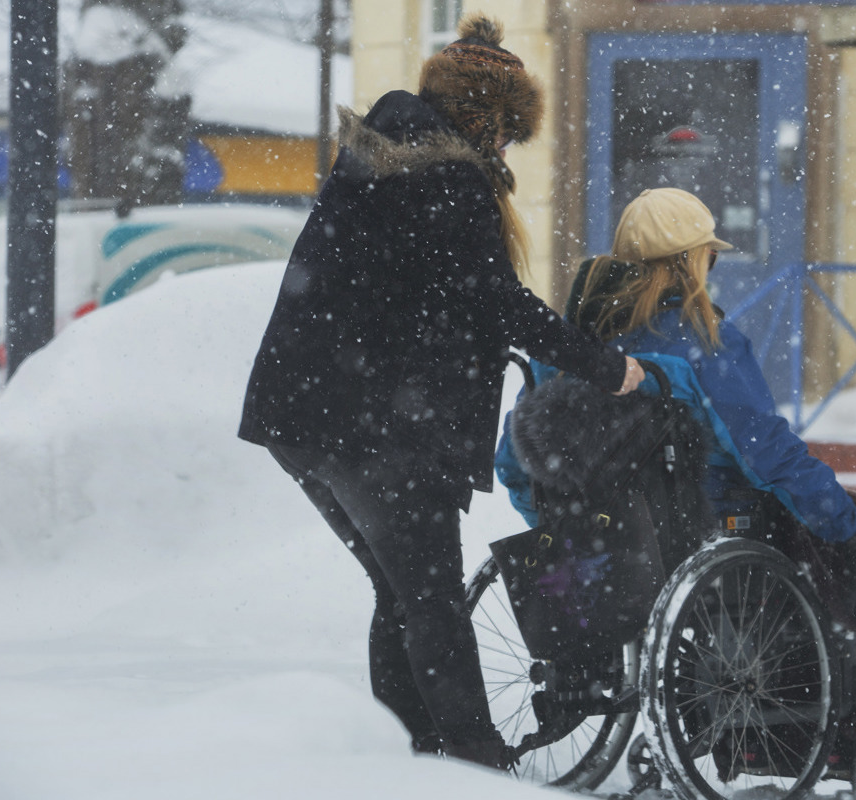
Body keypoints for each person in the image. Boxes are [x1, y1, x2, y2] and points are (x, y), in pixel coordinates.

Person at [237, 12, 645, 770]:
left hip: (308, 413)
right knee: (429, 600)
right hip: (371, 422)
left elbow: (425, 292)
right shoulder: (444, 175)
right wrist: (601, 365)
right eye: (507, 134)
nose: (505, 150)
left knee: (402, 592)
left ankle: (409, 758)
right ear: (486, 119)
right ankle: (474, 763)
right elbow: (493, 298)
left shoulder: (382, 159)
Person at [497, 187, 856, 778]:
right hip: (705, 521)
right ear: (691, 263)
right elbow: (767, 454)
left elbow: (514, 465)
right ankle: (849, 731)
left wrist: (568, 525)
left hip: (609, 535)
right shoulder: (704, 343)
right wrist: (845, 526)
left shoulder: (570, 345)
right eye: (708, 257)